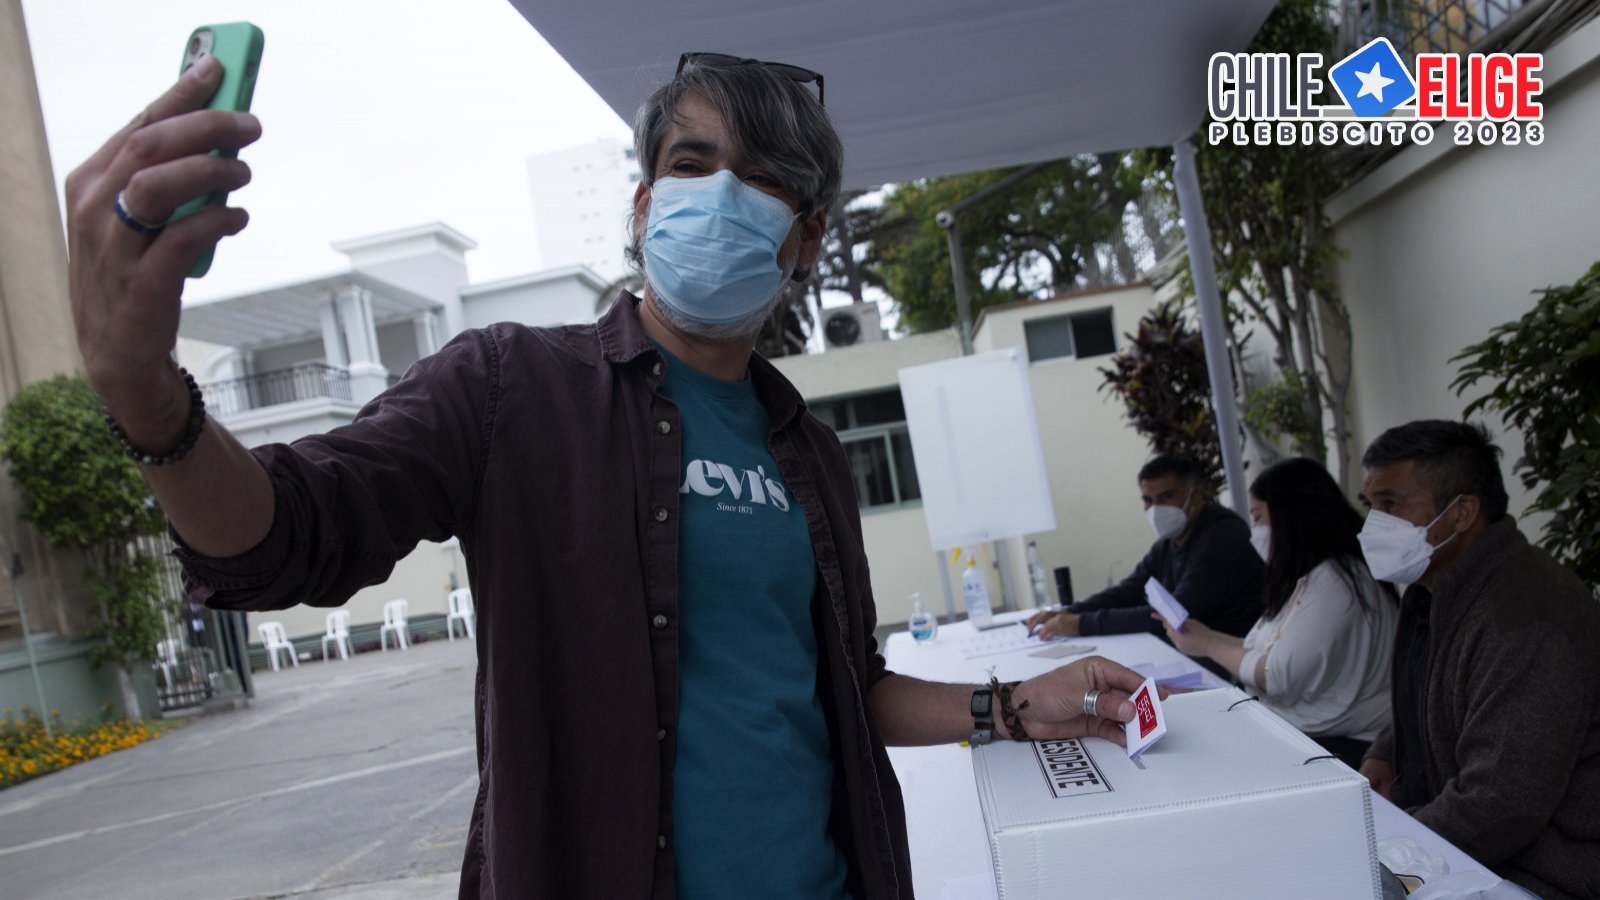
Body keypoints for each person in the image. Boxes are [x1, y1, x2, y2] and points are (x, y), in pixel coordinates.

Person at [66, 51, 1155, 898]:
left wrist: (1013, 705)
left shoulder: (806, 448)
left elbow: (843, 690)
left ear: (808, 238)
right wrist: (150, 401)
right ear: (641, 205)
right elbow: (290, 533)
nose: (722, 194)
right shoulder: (508, 387)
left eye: (765, 179)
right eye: (691, 164)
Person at [1355, 420, 1600, 899]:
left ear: (1461, 512)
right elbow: (1443, 691)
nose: (1373, 525)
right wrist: (1387, 747)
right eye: (1370, 506)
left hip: (1540, 874)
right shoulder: (1435, 587)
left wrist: (1382, 849)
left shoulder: (1527, 621)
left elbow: (1501, 804)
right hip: (1460, 845)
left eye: (1391, 504)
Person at [1159, 457, 1397, 768]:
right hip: (1311, 730)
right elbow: (1261, 649)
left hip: (1343, 746)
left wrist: (1206, 644)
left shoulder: (1336, 582)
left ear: (1289, 518)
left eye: (1258, 518)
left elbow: (1275, 675)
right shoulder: (1309, 577)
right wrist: (1202, 636)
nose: (1253, 531)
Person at [1026, 455, 1262, 645]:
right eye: (1148, 500)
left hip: (1233, 661)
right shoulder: (1170, 542)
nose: (1155, 509)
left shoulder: (1222, 538)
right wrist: (1068, 612)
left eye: (1166, 496)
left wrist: (1081, 623)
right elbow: (1130, 591)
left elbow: (1174, 616)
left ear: (1195, 495)